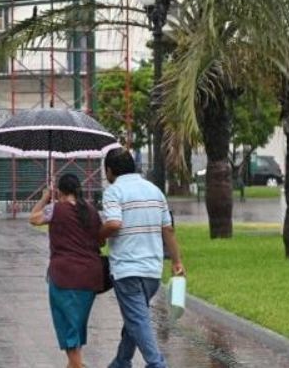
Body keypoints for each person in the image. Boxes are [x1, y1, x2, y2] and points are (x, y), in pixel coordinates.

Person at [100, 148, 185, 368]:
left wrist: (96, 238)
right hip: (152, 271)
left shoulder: (114, 192)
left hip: (127, 270)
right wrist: (177, 262)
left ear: (109, 171)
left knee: (138, 319)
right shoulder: (154, 191)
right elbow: (168, 230)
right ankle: (121, 361)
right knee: (135, 317)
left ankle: (157, 364)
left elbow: (113, 223)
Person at [29, 173, 103, 368]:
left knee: (68, 328)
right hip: (91, 277)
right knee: (76, 327)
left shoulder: (55, 209)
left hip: (65, 277)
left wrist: (45, 197)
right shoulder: (91, 211)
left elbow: (33, 219)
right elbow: (101, 239)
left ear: (59, 191)